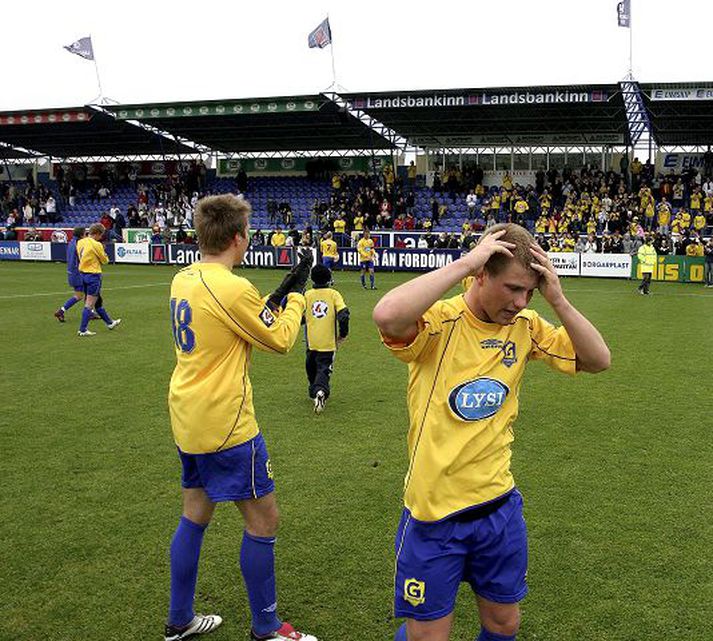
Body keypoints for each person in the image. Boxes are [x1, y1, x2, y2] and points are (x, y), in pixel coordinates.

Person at [372, 223, 610, 641]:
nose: (520, 303)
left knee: (504, 624)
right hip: (434, 516)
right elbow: (387, 315)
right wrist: (465, 261)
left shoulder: (527, 327)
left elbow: (598, 360)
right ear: (481, 274)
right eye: (513, 289)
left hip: (498, 508)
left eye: (530, 293)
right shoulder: (439, 323)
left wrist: (557, 298)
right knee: (428, 636)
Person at [164, 194, 317, 641]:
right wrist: (297, 300)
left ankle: (179, 619)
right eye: (247, 233)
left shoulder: (183, 277)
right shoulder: (231, 287)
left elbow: (236, 322)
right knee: (264, 521)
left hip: (187, 416)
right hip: (226, 423)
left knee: (194, 513)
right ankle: (267, 628)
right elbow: (280, 340)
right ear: (237, 237)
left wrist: (277, 292)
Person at [303, 264, 349, 414]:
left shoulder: (307, 295)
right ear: (329, 278)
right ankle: (320, 392)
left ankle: (315, 390)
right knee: (323, 370)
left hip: (311, 342)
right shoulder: (334, 294)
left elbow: (300, 316)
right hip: (328, 343)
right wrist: (343, 333)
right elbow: (344, 314)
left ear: (312, 278)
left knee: (311, 368)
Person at [76, 223, 121, 337]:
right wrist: (103, 252)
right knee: (90, 303)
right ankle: (83, 329)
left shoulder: (81, 241)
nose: (101, 237)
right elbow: (105, 260)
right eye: (101, 235)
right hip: (93, 276)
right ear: (97, 234)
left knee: (98, 301)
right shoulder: (96, 244)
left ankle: (109, 323)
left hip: (83, 274)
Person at [54, 226, 99, 323]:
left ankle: (90, 312)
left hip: (71, 272)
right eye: (85, 233)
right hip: (78, 273)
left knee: (86, 293)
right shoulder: (78, 243)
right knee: (79, 295)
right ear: (82, 234)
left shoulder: (71, 242)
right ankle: (61, 311)